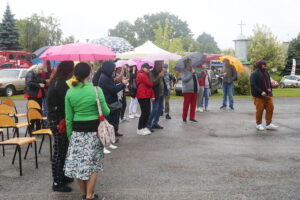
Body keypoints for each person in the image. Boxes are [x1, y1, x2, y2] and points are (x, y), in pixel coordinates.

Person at [64, 62, 110, 200]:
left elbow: (68, 118)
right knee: (94, 164)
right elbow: (106, 111)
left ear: (75, 74)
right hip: (94, 133)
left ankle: (84, 193)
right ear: (89, 74)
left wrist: (69, 135)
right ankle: (90, 195)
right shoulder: (96, 90)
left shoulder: (70, 92)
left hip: (77, 133)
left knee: (79, 164)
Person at [47, 61, 74, 192]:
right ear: (68, 71)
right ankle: (57, 182)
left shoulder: (57, 81)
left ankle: (62, 176)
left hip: (56, 119)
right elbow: (66, 103)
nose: (73, 72)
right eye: (72, 70)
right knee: (59, 150)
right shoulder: (61, 84)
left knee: (63, 149)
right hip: (58, 121)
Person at [99, 61, 128, 137]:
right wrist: (123, 84)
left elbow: (113, 83)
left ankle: (115, 132)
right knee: (111, 119)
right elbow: (113, 89)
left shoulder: (107, 76)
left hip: (112, 101)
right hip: (109, 101)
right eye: (112, 69)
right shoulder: (104, 77)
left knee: (115, 118)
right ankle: (111, 134)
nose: (114, 70)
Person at [250, 59, 279, 131]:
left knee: (270, 108)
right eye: (264, 64)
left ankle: (268, 124)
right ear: (259, 65)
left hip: (268, 95)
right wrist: (261, 92)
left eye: (265, 64)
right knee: (259, 110)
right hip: (258, 96)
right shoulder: (254, 74)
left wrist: (273, 86)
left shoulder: (266, 73)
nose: (265, 65)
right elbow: (253, 85)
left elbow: (268, 84)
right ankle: (258, 124)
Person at [136, 63, 154, 135]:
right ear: (143, 68)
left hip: (146, 95)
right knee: (144, 113)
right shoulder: (142, 75)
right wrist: (150, 78)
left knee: (147, 112)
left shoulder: (146, 75)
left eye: (149, 68)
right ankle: (139, 128)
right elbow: (150, 84)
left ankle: (144, 127)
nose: (148, 69)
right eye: (147, 68)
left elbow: (150, 86)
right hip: (142, 95)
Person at [181, 58, 199, 123]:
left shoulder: (193, 70)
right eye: (189, 62)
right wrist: (191, 74)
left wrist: (196, 72)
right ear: (186, 63)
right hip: (187, 90)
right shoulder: (184, 71)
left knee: (193, 105)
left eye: (191, 62)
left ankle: (192, 117)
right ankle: (184, 117)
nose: (191, 63)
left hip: (195, 89)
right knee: (186, 104)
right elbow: (184, 79)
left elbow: (196, 78)